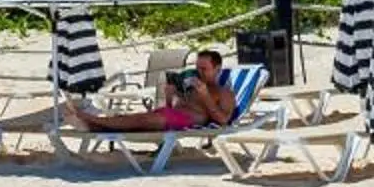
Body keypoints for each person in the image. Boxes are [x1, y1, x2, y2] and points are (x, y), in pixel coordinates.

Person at [65, 47, 243, 133]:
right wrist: (169, 96)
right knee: (138, 120)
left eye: (204, 69)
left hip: (185, 121)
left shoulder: (224, 93)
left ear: (218, 69)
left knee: (140, 119)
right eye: (198, 67)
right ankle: (95, 126)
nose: (199, 72)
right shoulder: (192, 85)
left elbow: (223, 120)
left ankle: (91, 119)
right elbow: (175, 106)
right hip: (171, 117)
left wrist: (206, 97)